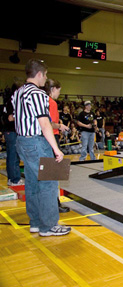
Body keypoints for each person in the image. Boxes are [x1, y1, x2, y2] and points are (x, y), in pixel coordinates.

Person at [11, 59, 71, 236]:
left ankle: (36, 222)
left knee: (32, 183)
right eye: (45, 75)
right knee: (49, 183)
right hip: (37, 142)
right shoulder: (38, 94)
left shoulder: (18, 93)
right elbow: (45, 124)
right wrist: (56, 149)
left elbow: (16, 118)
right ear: (39, 74)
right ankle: (49, 225)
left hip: (22, 141)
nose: (45, 79)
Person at [45, 79, 70, 213]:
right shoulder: (51, 103)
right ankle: (55, 203)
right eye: (58, 91)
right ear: (53, 89)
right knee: (54, 172)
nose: (58, 94)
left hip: (43, 139)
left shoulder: (41, 100)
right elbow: (50, 123)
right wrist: (60, 126)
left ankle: (49, 202)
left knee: (46, 173)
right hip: (52, 137)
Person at [3, 88, 24, 186]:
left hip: (12, 131)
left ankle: (12, 178)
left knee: (13, 156)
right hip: (11, 131)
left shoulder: (12, 101)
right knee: (13, 156)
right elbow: (11, 118)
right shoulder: (11, 102)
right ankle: (15, 179)